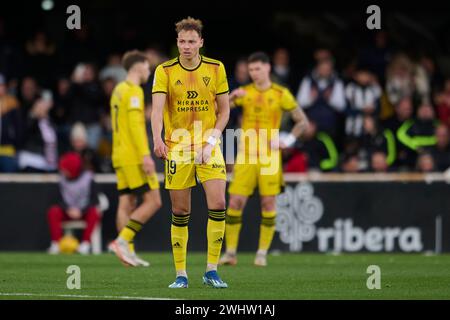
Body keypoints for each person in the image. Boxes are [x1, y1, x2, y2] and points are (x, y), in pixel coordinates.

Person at [151, 17, 230, 288]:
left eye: (191, 41)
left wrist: (211, 142)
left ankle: (211, 270)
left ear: (201, 43)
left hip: (209, 146)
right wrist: (157, 138)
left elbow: (225, 111)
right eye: (182, 41)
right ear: (177, 43)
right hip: (177, 148)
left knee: (218, 204)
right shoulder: (164, 71)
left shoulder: (216, 68)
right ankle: (181, 274)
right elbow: (156, 109)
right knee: (181, 210)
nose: (186, 46)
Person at [219, 52, 309, 267]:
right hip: (246, 156)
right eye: (251, 70)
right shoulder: (244, 93)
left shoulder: (280, 93)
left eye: (258, 68)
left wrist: (288, 139)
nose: (254, 73)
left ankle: (262, 253)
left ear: (268, 68)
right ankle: (230, 253)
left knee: (268, 203)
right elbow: (217, 112)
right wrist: (230, 98)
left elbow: (302, 121)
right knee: (235, 202)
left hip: (269, 157)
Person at [109, 50, 162, 267]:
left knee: (126, 203)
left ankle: (127, 254)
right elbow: (134, 127)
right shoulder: (133, 91)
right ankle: (122, 241)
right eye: (147, 66)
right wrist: (145, 155)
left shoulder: (118, 89)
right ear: (138, 66)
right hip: (132, 156)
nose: (149, 70)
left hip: (118, 155)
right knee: (154, 201)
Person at [47, 152, 101, 255]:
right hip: (67, 211)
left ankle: (85, 244)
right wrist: (68, 209)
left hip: (84, 211)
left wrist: (81, 211)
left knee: (95, 212)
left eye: (65, 169)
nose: (63, 171)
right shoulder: (61, 179)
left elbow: (95, 200)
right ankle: (56, 244)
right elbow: (57, 199)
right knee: (53, 212)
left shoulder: (88, 178)